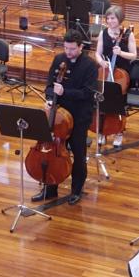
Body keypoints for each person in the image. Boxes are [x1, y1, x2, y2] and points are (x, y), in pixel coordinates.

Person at [36, 30, 97, 205]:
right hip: (57, 116)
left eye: (72, 49)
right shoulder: (59, 60)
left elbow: (88, 93)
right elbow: (49, 86)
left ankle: (76, 190)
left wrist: (65, 92)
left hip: (79, 115)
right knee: (53, 151)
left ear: (81, 47)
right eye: (66, 48)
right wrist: (50, 99)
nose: (68, 52)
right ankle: (50, 188)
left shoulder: (90, 66)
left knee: (78, 153)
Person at [93, 5, 136, 147]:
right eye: (108, 18)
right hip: (105, 72)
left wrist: (121, 53)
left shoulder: (128, 35)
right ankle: (101, 131)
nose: (110, 21)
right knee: (101, 100)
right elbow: (97, 53)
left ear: (120, 19)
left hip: (121, 74)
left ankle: (119, 132)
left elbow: (134, 55)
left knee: (119, 104)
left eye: (113, 18)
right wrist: (101, 62)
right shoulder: (103, 33)